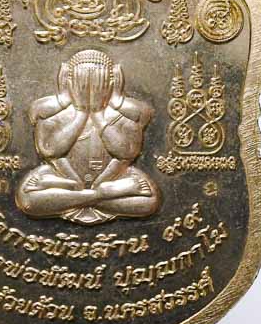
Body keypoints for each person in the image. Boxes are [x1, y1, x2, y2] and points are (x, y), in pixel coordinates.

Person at [15, 49, 160, 224]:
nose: (90, 87)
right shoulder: (49, 112)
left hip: (104, 179)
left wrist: (98, 113)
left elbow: (126, 153)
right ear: (68, 81)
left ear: (112, 82)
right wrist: (81, 113)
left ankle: (75, 199)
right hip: (64, 177)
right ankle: (101, 196)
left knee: (150, 201)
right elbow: (50, 151)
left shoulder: (126, 114)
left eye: (98, 80)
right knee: (27, 201)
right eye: (82, 80)